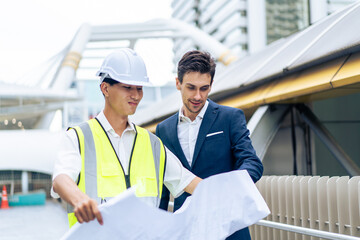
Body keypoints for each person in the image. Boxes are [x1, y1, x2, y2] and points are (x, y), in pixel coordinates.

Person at [51, 48, 201, 228]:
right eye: (127, 87)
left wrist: (232, 192)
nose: (136, 95)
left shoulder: (153, 144)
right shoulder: (78, 138)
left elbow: (191, 183)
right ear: (105, 88)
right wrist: (80, 200)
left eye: (139, 88)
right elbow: (61, 179)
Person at [156, 50, 263, 240]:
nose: (198, 96)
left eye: (204, 88)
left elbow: (252, 163)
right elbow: (162, 185)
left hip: (229, 228)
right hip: (186, 231)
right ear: (178, 83)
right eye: (191, 87)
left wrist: (224, 188)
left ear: (211, 86)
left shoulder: (230, 118)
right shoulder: (163, 129)